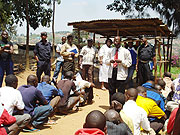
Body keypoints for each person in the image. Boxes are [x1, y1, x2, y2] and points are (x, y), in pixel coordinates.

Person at [106, 36, 132, 105]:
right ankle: (112, 105)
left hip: (121, 73)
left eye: (117, 41)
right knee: (111, 90)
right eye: (114, 41)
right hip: (112, 72)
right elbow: (105, 60)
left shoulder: (125, 51)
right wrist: (109, 61)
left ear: (120, 42)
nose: (115, 42)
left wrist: (121, 62)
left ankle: (120, 106)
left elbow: (129, 63)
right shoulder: (110, 50)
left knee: (120, 91)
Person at [79, 39, 96, 103]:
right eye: (89, 42)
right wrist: (80, 62)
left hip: (90, 64)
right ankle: (83, 96)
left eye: (91, 42)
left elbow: (94, 57)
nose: (90, 43)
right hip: (84, 64)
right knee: (83, 79)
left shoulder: (94, 49)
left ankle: (90, 97)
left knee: (90, 78)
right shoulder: (84, 48)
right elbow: (81, 56)